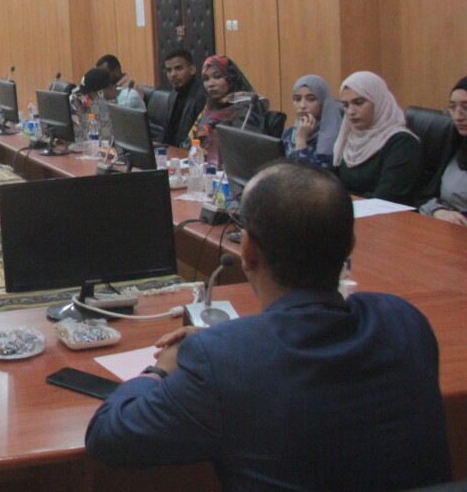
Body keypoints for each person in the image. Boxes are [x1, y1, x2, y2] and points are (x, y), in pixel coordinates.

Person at [85, 162, 452, 491]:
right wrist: (232, 343)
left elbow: (107, 437)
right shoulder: (404, 320)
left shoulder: (221, 361)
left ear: (246, 250)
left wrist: (160, 369)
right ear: (350, 245)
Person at [334, 71, 422, 204]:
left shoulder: (402, 144)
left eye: (358, 103)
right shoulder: (350, 136)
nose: (351, 112)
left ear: (378, 102)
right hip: (348, 209)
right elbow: (330, 179)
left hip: (385, 214)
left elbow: (387, 198)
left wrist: (339, 201)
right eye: (346, 105)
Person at [188, 55, 261, 165]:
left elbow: (243, 151)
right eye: (206, 79)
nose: (210, 84)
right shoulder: (210, 106)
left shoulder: (248, 109)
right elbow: (189, 144)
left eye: (217, 77)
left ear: (231, 78)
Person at [418, 76, 467, 225]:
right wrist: (438, 211)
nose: (457, 116)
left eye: (466, 107)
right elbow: (425, 197)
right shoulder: (455, 143)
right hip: (446, 228)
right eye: (452, 107)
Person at [281, 74, 342, 168]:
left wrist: (301, 139)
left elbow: (303, 174)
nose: (302, 105)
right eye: (297, 99)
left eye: (311, 99)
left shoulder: (337, 138)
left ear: (323, 103)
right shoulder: (288, 134)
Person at [162, 49, 208, 147]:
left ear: (192, 69)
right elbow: (168, 132)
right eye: (169, 70)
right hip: (171, 151)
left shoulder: (202, 96)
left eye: (178, 68)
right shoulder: (173, 95)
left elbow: (198, 137)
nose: (173, 74)